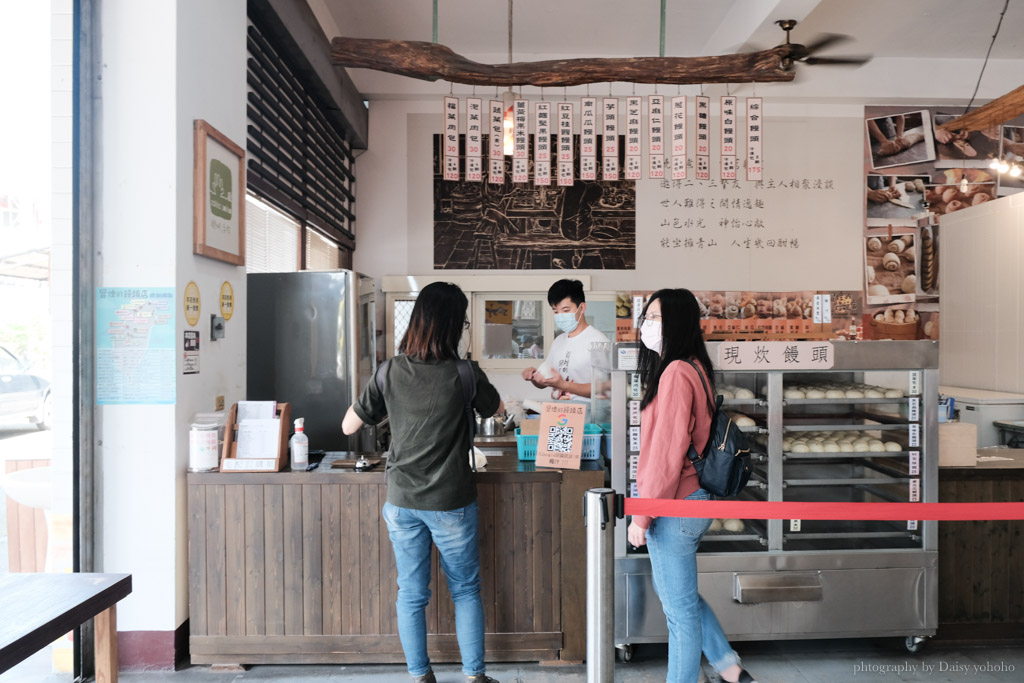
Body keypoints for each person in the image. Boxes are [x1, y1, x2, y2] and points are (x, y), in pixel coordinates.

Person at [343, 282, 502, 683]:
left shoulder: (389, 371)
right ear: (454, 325)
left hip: (402, 500)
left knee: (412, 593)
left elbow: (348, 425)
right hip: (451, 501)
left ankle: (419, 675)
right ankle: (474, 677)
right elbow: (497, 410)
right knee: (465, 590)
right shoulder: (465, 373)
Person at [626, 289, 759, 683]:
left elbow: (665, 455)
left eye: (656, 318)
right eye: (646, 317)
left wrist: (642, 516)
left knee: (678, 614)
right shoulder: (696, 365)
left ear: (678, 323)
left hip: (675, 505)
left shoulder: (674, 373)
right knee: (680, 595)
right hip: (693, 500)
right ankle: (728, 666)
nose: (647, 325)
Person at [521, 279, 609, 401]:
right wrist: (534, 377)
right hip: (561, 414)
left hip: (588, 415)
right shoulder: (559, 341)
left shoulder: (598, 342)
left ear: (582, 308)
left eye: (566, 310)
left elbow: (606, 387)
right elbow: (547, 382)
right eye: (556, 311)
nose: (560, 316)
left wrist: (563, 385)